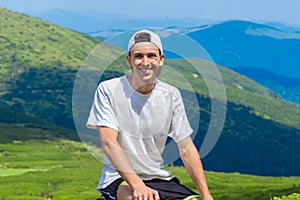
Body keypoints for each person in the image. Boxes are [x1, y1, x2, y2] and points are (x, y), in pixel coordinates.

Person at [87, 29, 213, 200]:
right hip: (118, 178)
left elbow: (187, 149)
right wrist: (137, 185)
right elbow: (109, 142)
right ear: (129, 60)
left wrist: (206, 195)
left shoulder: (171, 95)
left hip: (158, 177)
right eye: (138, 56)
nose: (145, 62)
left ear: (161, 59)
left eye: (151, 56)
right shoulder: (108, 89)